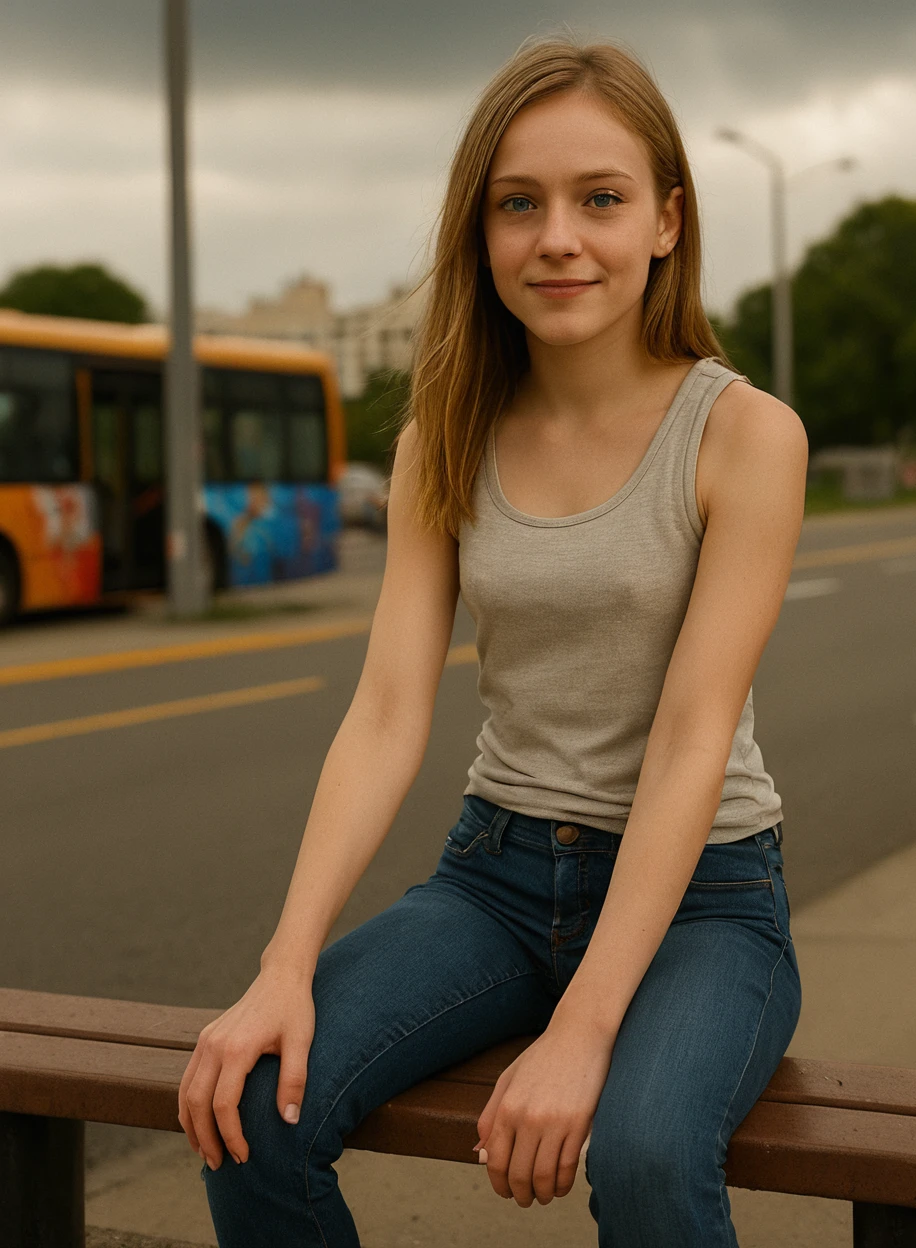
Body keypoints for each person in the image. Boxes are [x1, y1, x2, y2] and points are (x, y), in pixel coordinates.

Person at [179, 34, 808, 1247]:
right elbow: (386, 712)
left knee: (641, 1155)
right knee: (252, 1104)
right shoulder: (441, 438)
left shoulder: (743, 434)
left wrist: (584, 1029)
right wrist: (283, 964)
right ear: (479, 231)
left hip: (707, 900)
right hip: (498, 879)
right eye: (518, 204)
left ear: (666, 222)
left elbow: (689, 740)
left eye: (601, 199)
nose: (557, 238)